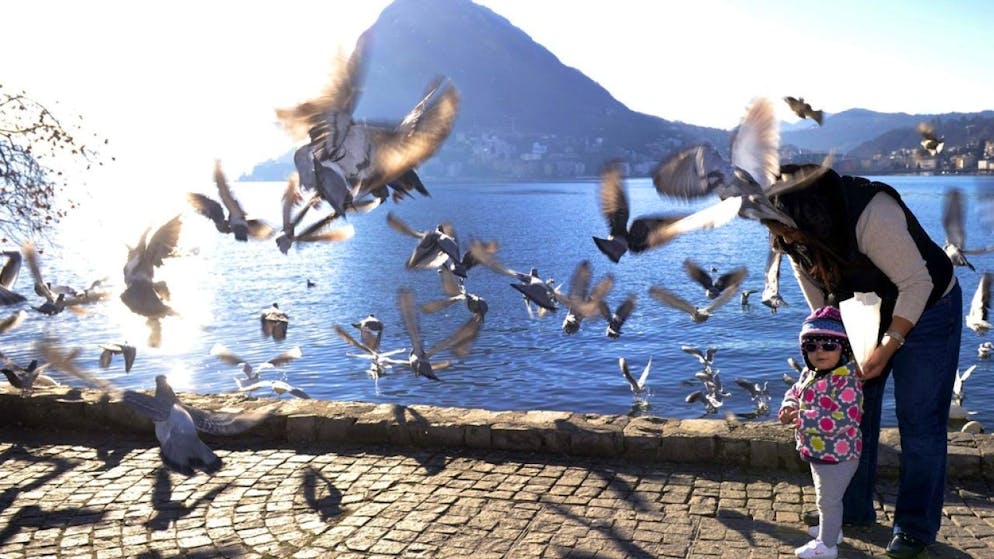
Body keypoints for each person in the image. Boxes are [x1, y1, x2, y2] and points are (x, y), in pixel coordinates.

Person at [766, 166, 961, 559]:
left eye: (788, 231)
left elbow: (916, 284)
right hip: (861, 311)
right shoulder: (791, 238)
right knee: (852, 411)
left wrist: (888, 346)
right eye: (777, 231)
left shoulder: (872, 213)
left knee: (920, 420)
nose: (783, 240)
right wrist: (834, 347)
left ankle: (914, 527)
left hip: (928, 308)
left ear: (814, 214)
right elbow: (821, 303)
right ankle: (849, 509)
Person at [779, 306, 863, 559]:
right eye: (812, 346)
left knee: (828, 501)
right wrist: (789, 406)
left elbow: (844, 420)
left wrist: (802, 418)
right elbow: (795, 391)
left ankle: (826, 546)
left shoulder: (846, 380)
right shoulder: (810, 373)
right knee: (824, 496)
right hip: (818, 450)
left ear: (844, 349)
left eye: (829, 345)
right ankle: (832, 531)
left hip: (839, 455)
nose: (820, 352)